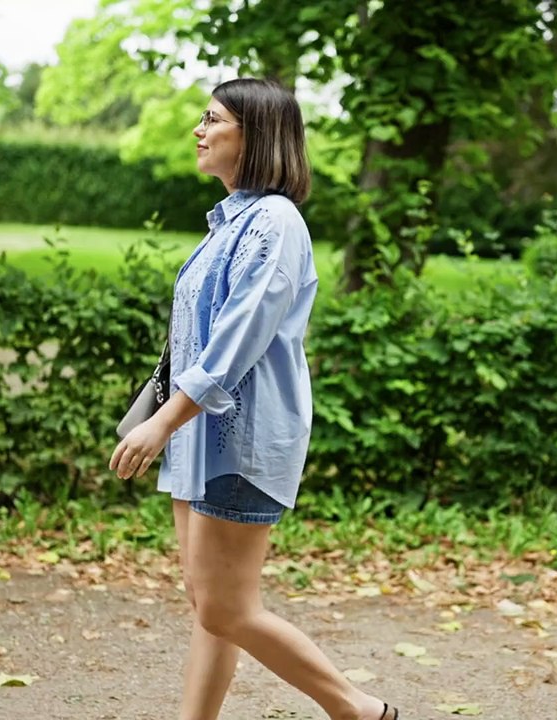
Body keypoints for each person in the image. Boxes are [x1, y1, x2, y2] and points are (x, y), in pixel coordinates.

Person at [108, 78, 401, 720]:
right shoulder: (229, 224)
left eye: (213, 118)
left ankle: (357, 709)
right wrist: (168, 421)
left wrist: (161, 422)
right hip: (200, 436)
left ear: (255, 135)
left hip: (241, 438)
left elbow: (239, 339)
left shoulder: (275, 222)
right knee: (207, 602)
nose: (199, 129)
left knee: (224, 606)